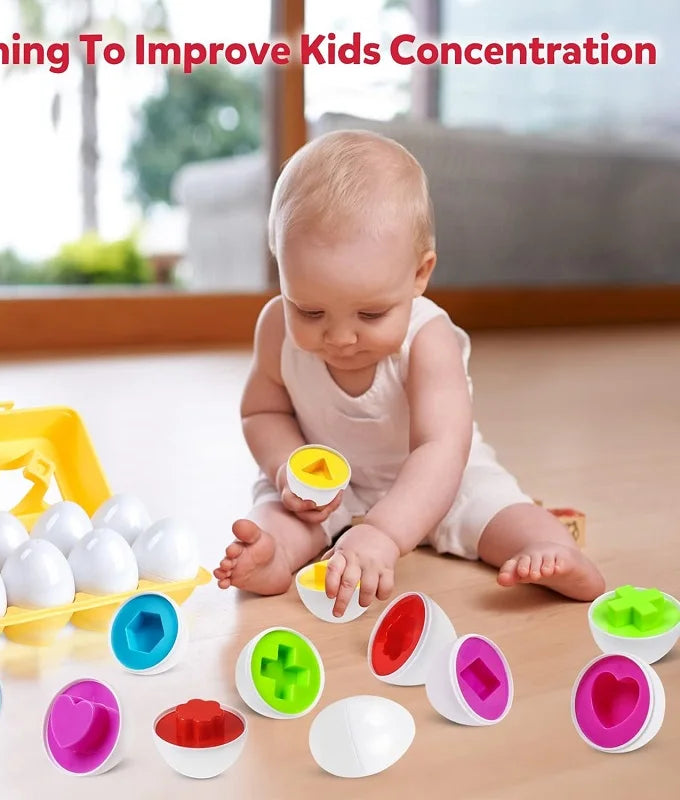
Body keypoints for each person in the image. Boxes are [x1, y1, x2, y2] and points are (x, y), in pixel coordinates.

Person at [214, 130, 604, 616]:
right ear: (282, 269)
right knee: (277, 512)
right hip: (336, 486)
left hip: (437, 479)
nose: (339, 338)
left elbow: (441, 447)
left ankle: (554, 551)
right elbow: (262, 410)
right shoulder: (275, 326)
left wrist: (383, 532)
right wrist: (287, 468)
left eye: (371, 315)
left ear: (420, 274)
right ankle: (271, 558)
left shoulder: (428, 339)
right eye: (310, 312)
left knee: (498, 511)